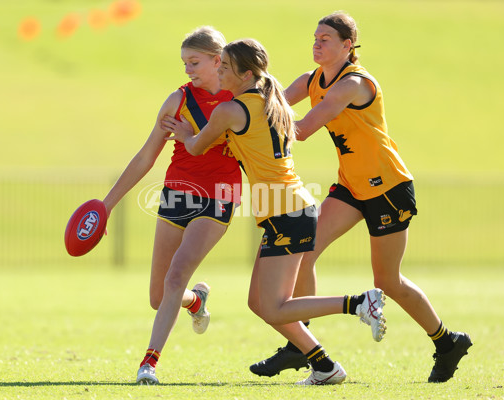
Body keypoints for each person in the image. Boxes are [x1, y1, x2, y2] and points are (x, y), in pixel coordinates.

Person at [249, 12, 472, 383]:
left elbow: (300, 129)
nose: (316, 43)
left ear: (347, 46)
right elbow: (266, 111)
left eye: (325, 39)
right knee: (305, 250)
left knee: (388, 281)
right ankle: (299, 345)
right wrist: (239, 111)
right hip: (351, 186)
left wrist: (260, 107)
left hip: (388, 188)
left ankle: (447, 341)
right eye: (315, 38)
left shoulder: (353, 84)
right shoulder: (311, 79)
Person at [162, 38, 386, 386]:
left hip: (286, 212)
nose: (218, 71)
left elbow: (196, 146)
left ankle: (358, 303)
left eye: (225, 68)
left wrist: (186, 133)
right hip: (290, 209)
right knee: (260, 303)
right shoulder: (271, 95)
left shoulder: (230, 110)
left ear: (246, 73)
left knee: (274, 306)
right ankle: (325, 367)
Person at [102, 26, 242, 385]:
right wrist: (106, 206)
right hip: (177, 194)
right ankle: (196, 301)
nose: (187, 70)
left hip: (220, 195)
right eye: (184, 63)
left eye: (194, 62)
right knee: (158, 295)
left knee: (176, 274)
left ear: (217, 60)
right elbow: (147, 155)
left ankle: (148, 363)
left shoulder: (241, 95)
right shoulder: (177, 101)